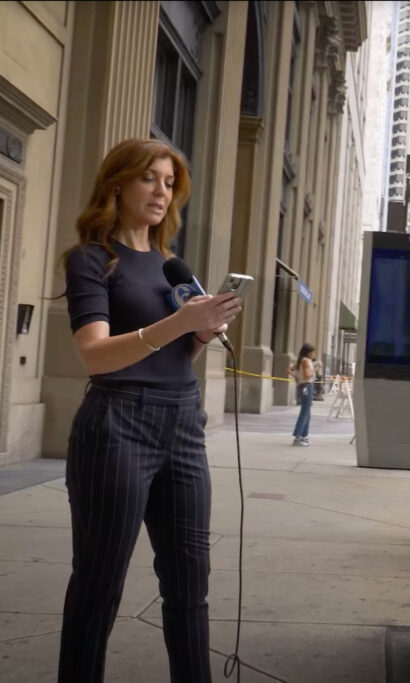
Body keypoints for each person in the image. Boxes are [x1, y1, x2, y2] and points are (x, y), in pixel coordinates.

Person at [59, 138, 242, 683]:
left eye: (169, 183)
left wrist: (201, 332)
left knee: (190, 585)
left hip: (182, 424)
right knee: (98, 585)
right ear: (117, 184)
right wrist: (180, 322)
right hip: (117, 427)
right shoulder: (92, 260)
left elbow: (174, 355)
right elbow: (95, 355)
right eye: (149, 178)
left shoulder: (172, 268)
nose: (162, 191)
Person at [289, 343, 316, 446]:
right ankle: (298, 437)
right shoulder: (306, 361)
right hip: (306, 386)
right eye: (312, 352)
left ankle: (304, 435)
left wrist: (296, 377)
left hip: (304, 386)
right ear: (308, 353)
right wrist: (314, 370)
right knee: (305, 412)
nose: (313, 354)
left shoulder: (302, 360)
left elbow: (289, 369)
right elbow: (307, 375)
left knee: (307, 412)